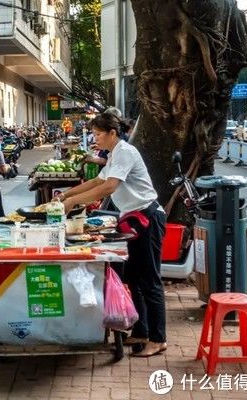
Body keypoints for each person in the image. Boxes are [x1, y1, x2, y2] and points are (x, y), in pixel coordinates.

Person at [54, 112, 167, 357]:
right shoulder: (115, 154)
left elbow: (108, 187)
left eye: (97, 134)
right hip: (134, 219)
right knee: (135, 279)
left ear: (112, 133)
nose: (95, 139)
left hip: (148, 217)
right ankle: (141, 330)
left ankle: (159, 338)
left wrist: (73, 202)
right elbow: (96, 182)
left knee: (150, 280)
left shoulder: (125, 152)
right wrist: (65, 196)